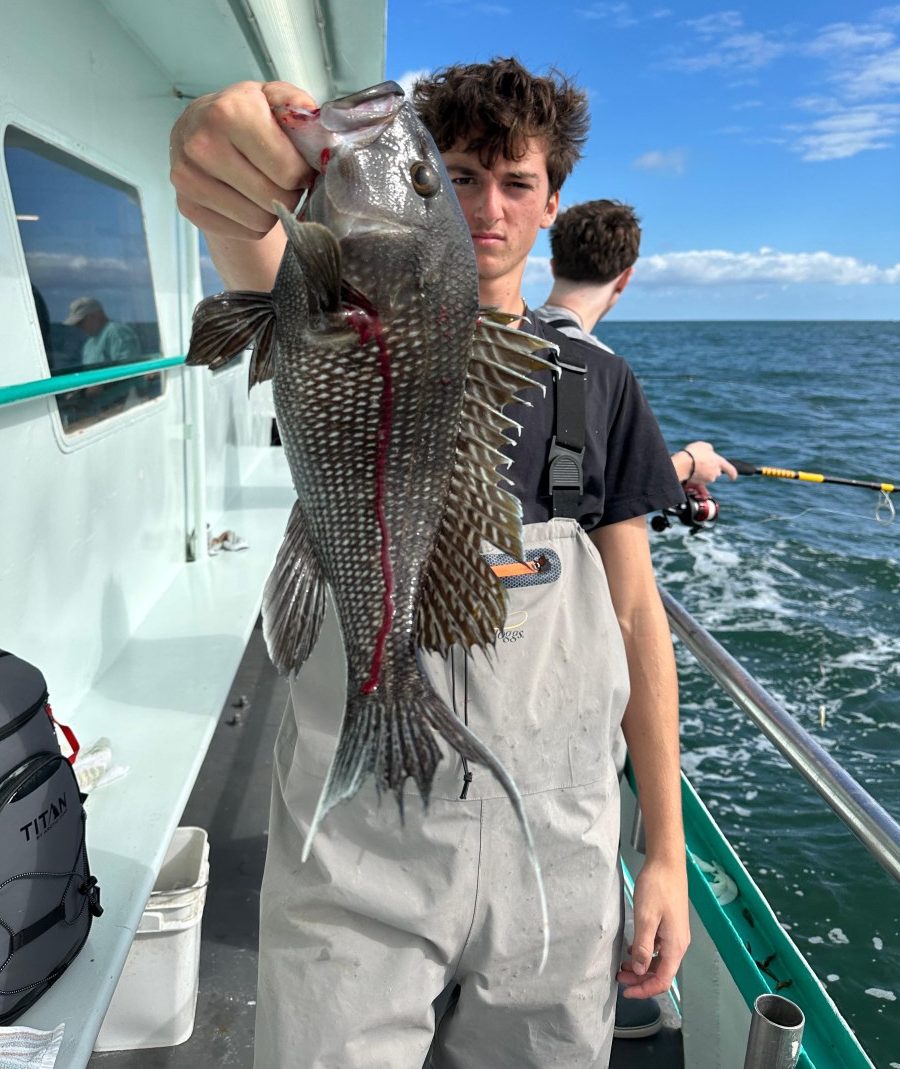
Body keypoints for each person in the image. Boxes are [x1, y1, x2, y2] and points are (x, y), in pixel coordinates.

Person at [169, 59, 691, 1069]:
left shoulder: (595, 383)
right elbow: (238, 227)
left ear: (550, 205)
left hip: (558, 851)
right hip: (356, 844)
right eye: (451, 176)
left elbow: (637, 620)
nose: (485, 206)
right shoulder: (323, 304)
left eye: (515, 183)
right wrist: (215, 156)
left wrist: (660, 849)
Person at [536, 199, 738, 490]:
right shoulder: (601, 367)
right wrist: (688, 463)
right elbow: (602, 489)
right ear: (626, 278)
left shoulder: (509, 332)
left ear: (553, 267)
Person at [63, 296, 141, 367]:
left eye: (81, 322)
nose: (79, 326)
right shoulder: (89, 344)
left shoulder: (116, 332)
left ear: (96, 315)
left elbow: (128, 367)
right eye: (77, 324)